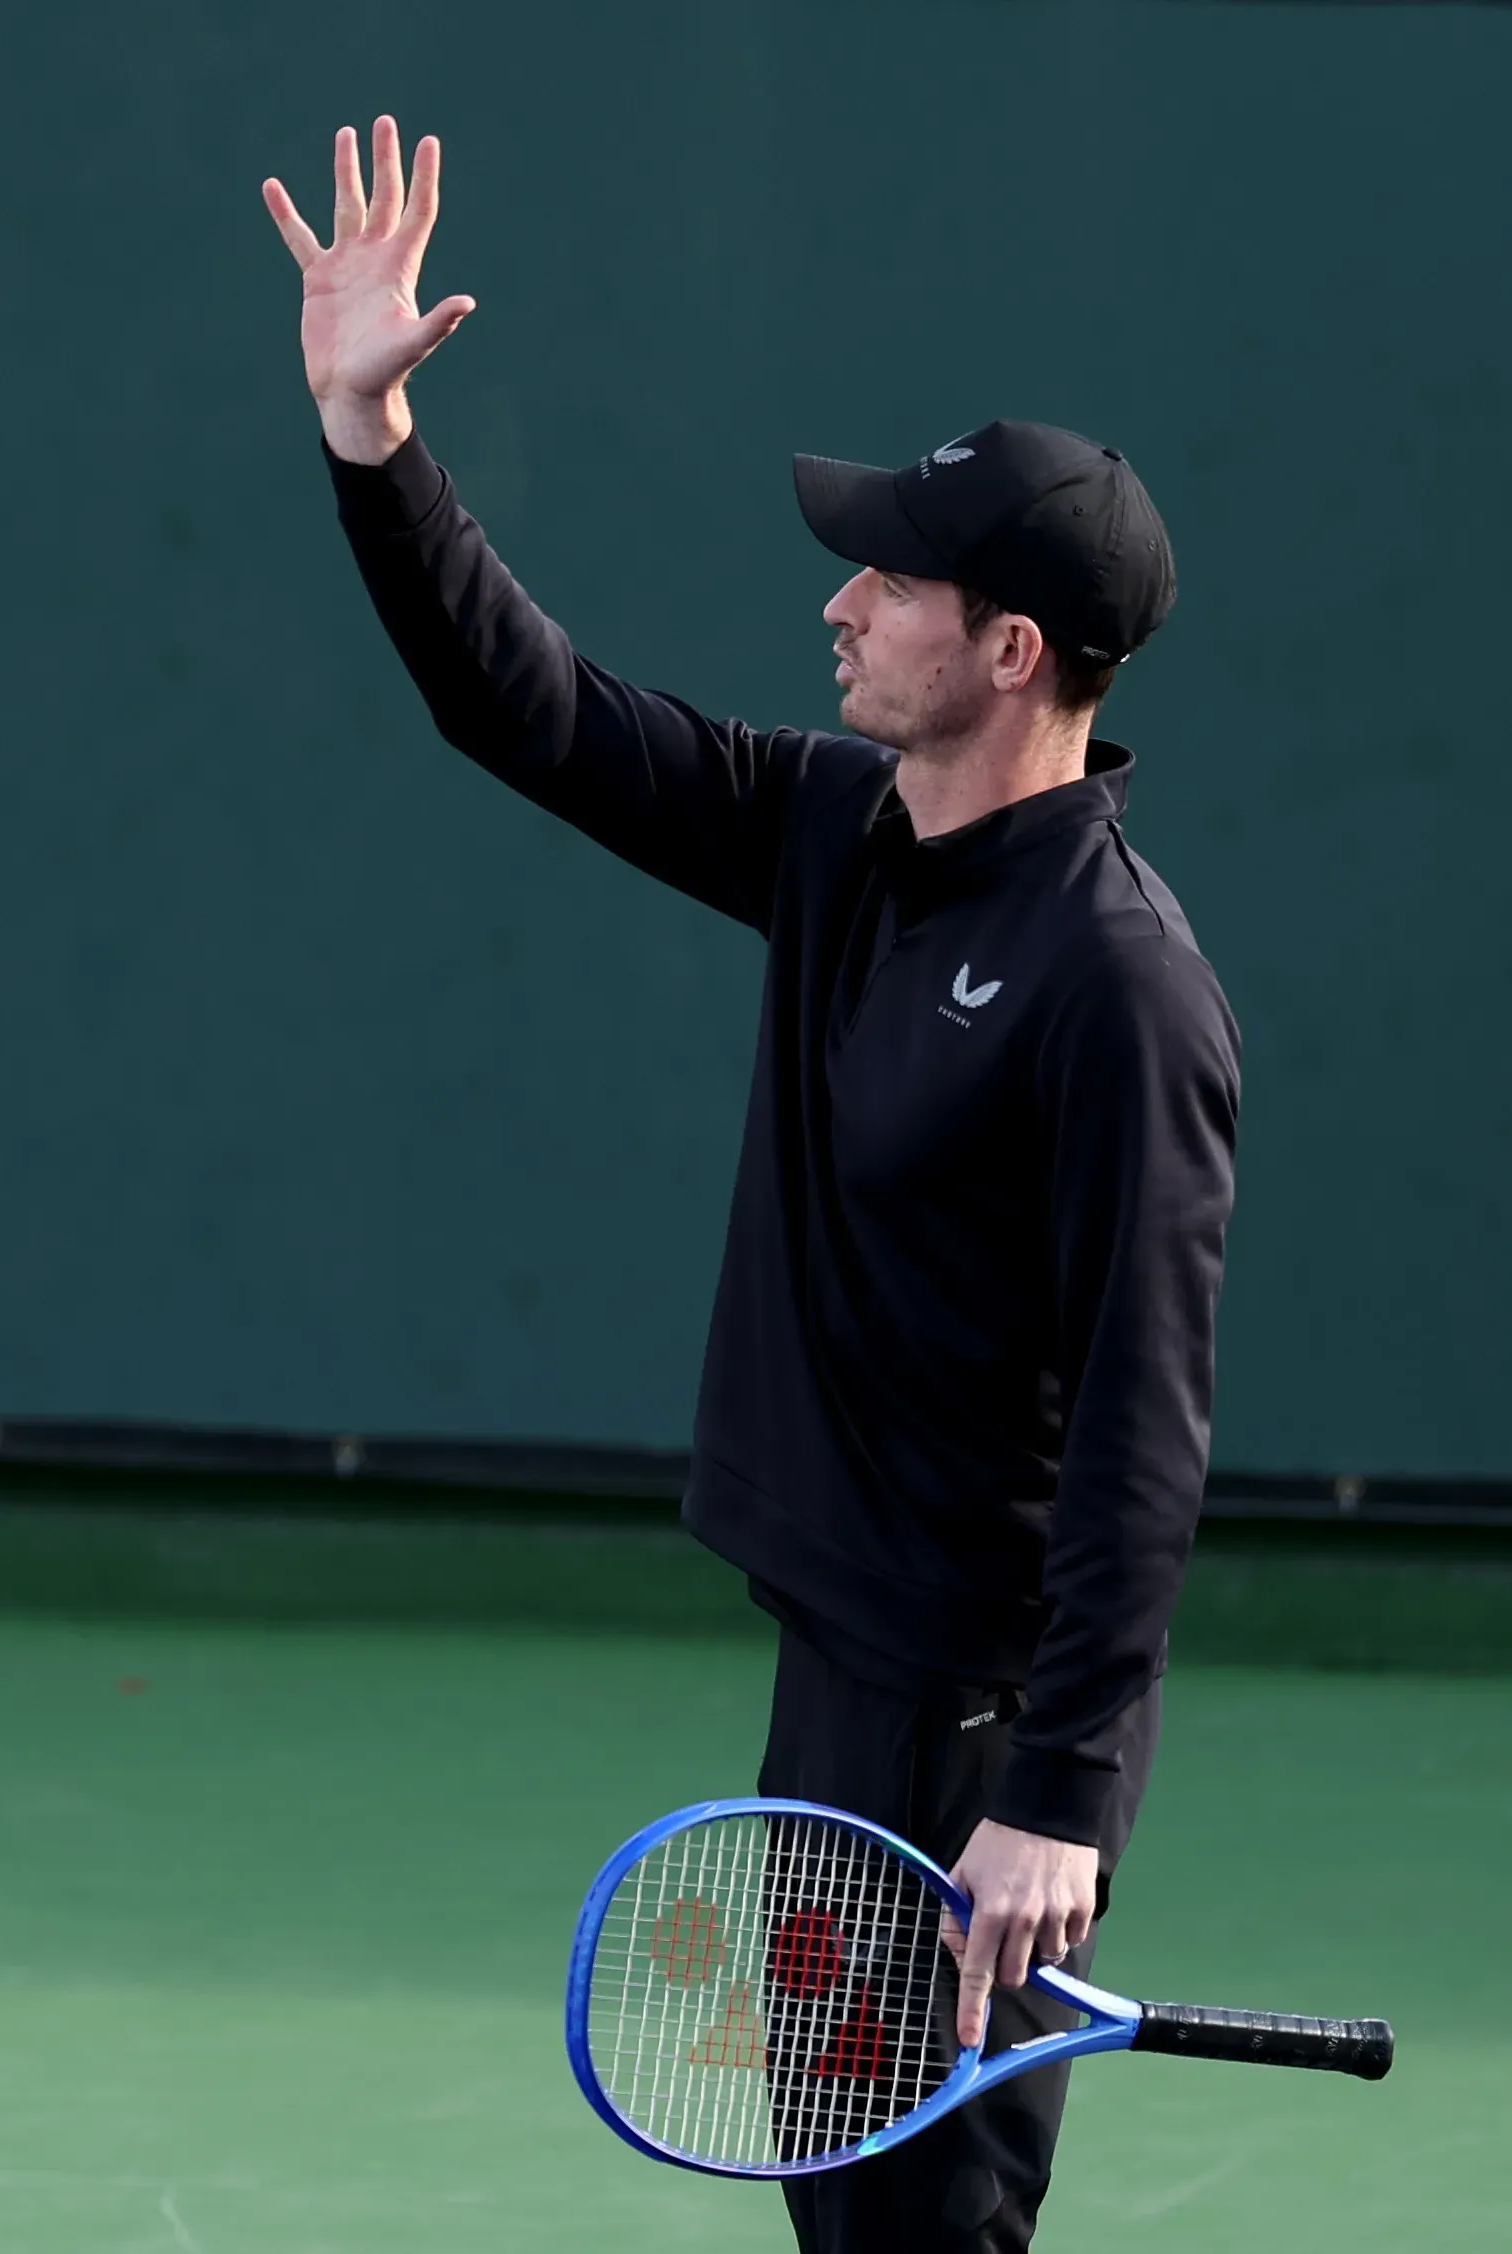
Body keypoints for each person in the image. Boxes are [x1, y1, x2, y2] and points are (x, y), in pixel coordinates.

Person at [265, 122, 1239, 2250]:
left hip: (967, 1726)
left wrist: (1060, 1792)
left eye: (885, 575)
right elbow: (529, 714)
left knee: (915, 2227)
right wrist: (373, 438)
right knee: (837, 2197)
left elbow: (1145, 1430)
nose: (839, 595)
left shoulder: (1119, 989)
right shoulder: (836, 831)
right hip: (837, 1653)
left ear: (1006, 652)